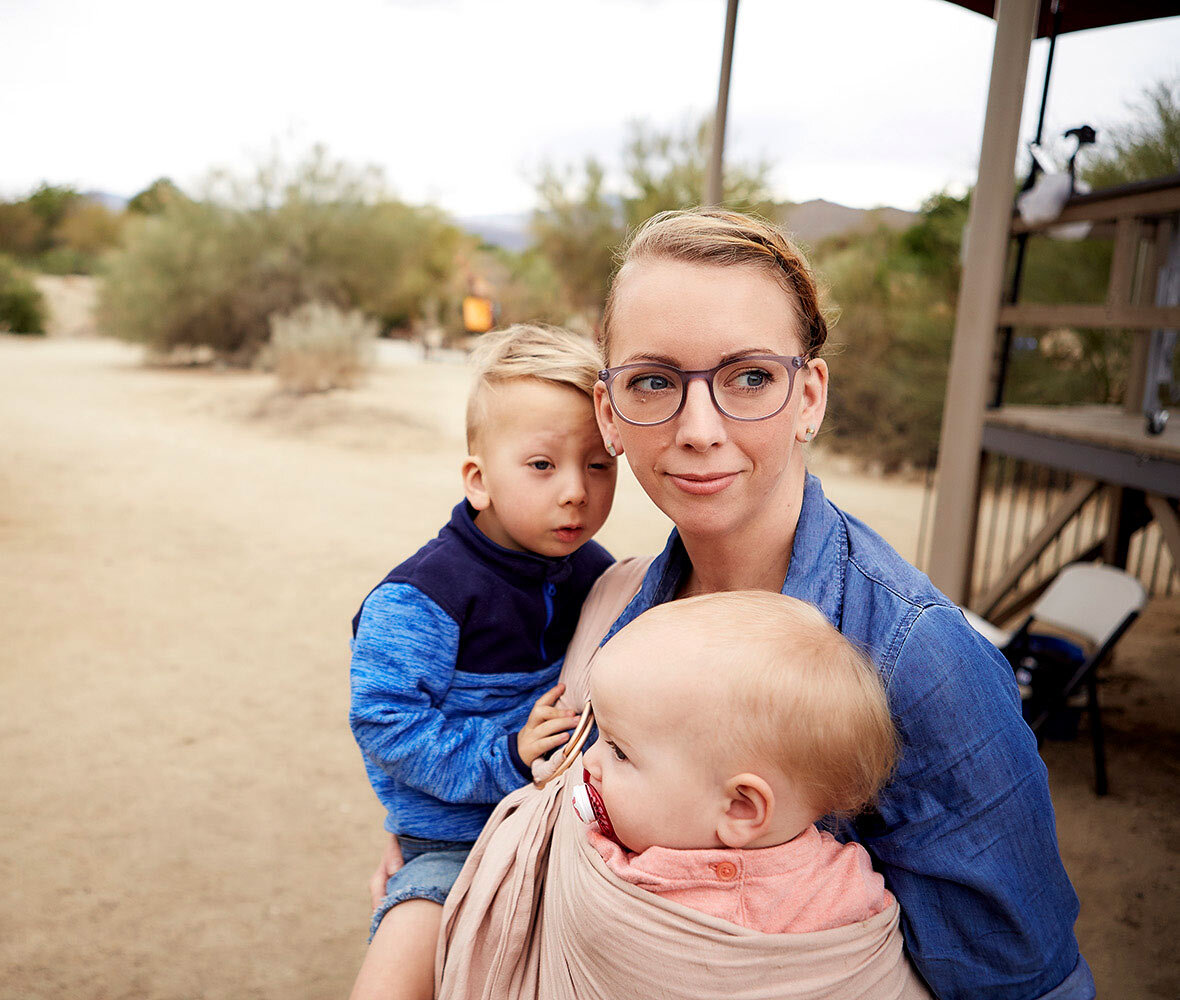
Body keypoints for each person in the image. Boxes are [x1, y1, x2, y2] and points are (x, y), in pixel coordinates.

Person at [426, 208, 1091, 1000]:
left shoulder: (917, 658)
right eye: (653, 381)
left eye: (749, 378)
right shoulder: (615, 600)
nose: (699, 429)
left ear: (809, 396)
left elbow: (1023, 983)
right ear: (610, 414)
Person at [347, 324, 619, 1000]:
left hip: (566, 824)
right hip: (453, 840)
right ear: (478, 479)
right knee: (407, 953)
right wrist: (507, 753)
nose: (576, 492)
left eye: (597, 464)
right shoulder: (420, 598)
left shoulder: (596, 574)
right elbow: (386, 725)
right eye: (542, 465)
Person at [580, 591, 900, 939]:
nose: (588, 760)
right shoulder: (855, 891)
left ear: (740, 808)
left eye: (620, 752)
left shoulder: (845, 902)